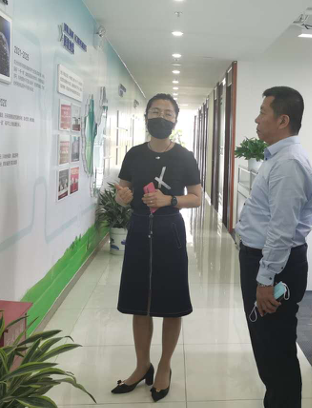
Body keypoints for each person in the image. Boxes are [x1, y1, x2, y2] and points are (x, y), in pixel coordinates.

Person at [112, 93, 202, 402]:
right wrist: (122, 197)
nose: (160, 117)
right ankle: (142, 365)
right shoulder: (134, 154)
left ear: (175, 119)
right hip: (139, 229)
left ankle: (164, 366)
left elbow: (197, 197)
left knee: (171, 303)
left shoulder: (185, 156)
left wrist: (169, 200)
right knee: (139, 303)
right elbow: (122, 191)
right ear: (146, 116)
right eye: (155, 111)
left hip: (169, 231)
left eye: (167, 113)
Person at [236, 86, 312, 408]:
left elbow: (282, 230)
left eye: (262, 113)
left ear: (283, 120)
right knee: (268, 347)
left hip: (275, 267)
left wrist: (265, 278)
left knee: (276, 349)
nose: (257, 120)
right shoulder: (278, 158)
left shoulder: (288, 164)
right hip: (265, 262)